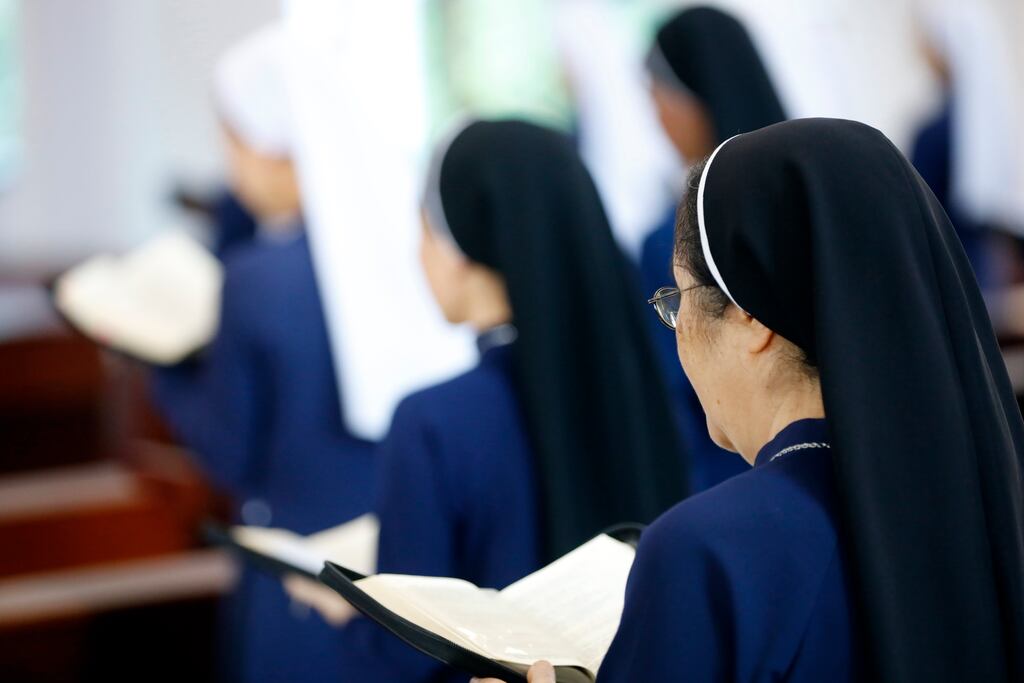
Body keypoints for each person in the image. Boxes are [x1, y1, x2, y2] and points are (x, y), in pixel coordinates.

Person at [476, 118, 1024, 681]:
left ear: (748, 316)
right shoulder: (986, 501)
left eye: (677, 301)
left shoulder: (706, 551)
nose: (677, 327)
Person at [324, 120, 688, 681]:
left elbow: (398, 659)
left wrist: (349, 611)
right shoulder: (641, 387)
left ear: (458, 248)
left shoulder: (433, 423)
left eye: (422, 227)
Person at [150, 25, 375, 683]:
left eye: (232, 141)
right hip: (394, 564)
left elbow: (228, 450)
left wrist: (163, 364)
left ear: (273, 146)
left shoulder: (259, 276)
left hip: (293, 571)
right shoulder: (395, 252)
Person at [640, 6, 787, 491]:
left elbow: (676, 393)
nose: (656, 114)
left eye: (658, 94)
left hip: (726, 476)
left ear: (694, 95)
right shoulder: (812, 194)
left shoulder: (675, 237)